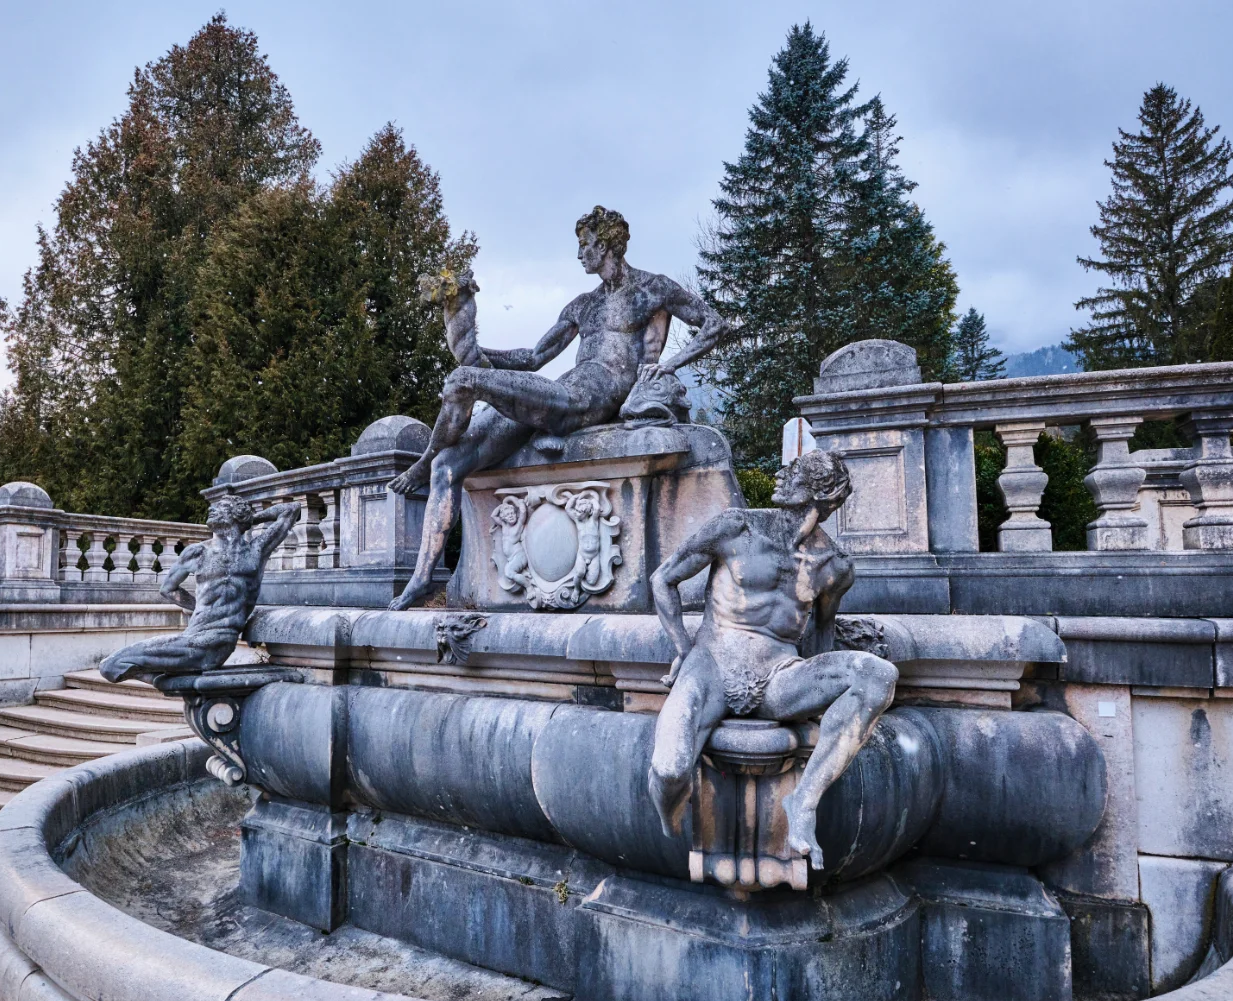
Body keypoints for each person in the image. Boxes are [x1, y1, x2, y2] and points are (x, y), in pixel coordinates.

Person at [385, 206, 724, 610]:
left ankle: (422, 461)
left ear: (607, 243)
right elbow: (532, 357)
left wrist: (666, 365)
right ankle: (422, 576)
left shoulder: (652, 289)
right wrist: (472, 342)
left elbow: (715, 324)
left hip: (593, 398)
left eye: (585, 245)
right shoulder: (583, 304)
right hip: (561, 392)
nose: (580, 254)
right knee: (449, 462)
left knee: (463, 381)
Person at [646, 449, 899, 870]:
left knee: (877, 675)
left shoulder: (834, 567)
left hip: (779, 676)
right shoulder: (737, 526)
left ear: (820, 493)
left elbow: (821, 635)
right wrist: (683, 651)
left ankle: (804, 801)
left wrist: (821, 699)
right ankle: (670, 812)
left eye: (795, 471)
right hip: (712, 665)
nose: (781, 472)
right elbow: (663, 579)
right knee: (671, 770)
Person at [99, 495, 300, 683]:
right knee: (111, 667)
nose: (212, 509)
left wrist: (248, 519)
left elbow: (292, 509)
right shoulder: (198, 552)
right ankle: (169, 682)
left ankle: (169, 681)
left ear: (236, 515)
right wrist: (199, 609)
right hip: (196, 639)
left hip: (215, 643)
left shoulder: (255, 550)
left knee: (111, 665)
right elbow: (168, 589)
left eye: (222, 507)